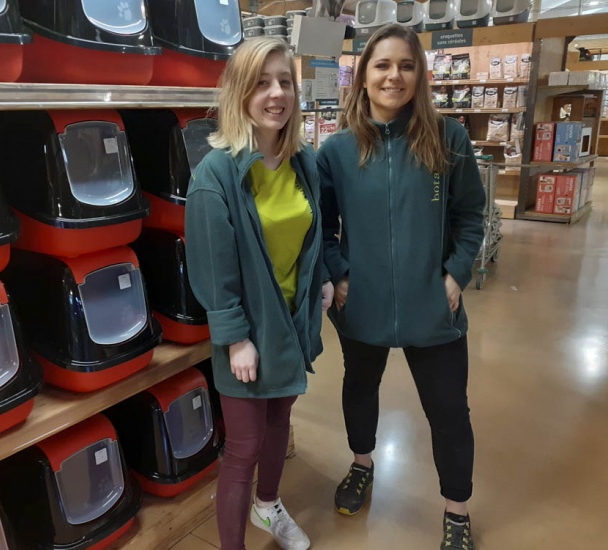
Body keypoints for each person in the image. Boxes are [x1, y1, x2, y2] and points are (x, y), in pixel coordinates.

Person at [317, 24, 486, 550]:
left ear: (420, 75)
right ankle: (362, 464)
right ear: (363, 76)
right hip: (361, 304)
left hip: (431, 307)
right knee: (359, 389)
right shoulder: (337, 151)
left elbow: (471, 214)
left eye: (406, 66)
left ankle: (457, 509)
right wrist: (339, 274)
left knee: (449, 411)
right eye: (383, 65)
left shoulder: (448, 138)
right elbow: (320, 227)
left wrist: (456, 274)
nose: (394, 76)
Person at [185, 37, 333, 550]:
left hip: (292, 323)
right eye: (262, 83)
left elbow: (313, 233)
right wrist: (234, 338)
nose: (277, 94)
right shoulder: (216, 174)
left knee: (278, 426)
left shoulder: (303, 161)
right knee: (243, 446)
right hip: (248, 332)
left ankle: (268, 507)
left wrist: (322, 279)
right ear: (239, 93)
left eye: (285, 82)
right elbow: (211, 267)